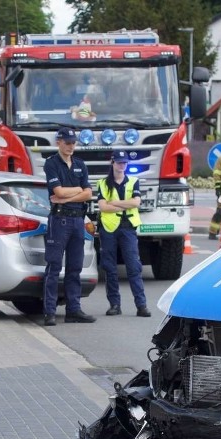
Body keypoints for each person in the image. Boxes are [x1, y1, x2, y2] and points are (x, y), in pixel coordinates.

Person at [41, 127, 96, 326]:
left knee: (75, 268)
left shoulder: (80, 164)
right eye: (67, 142)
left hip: (77, 221)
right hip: (60, 221)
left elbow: (88, 193)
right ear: (59, 142)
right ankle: (49, 312)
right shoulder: (51, 164)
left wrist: (67, 196)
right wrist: (76, 191)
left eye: (73, 143)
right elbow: (58, 191)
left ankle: (74, 310)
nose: (71, 146)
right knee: (54, 267)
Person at [96, 150, 151, 318]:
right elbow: (103, 207)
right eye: (119, 162)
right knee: (110, 267)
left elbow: (136, 202)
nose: (122, 165)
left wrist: (115, 203)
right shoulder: (103, 183)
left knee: (134, 266)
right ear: (112, 163)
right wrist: (124, 205)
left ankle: (141, 305)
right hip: (109, 228)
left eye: (125, 162)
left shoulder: (133, 181)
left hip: (128, 228)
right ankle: (114, 305)